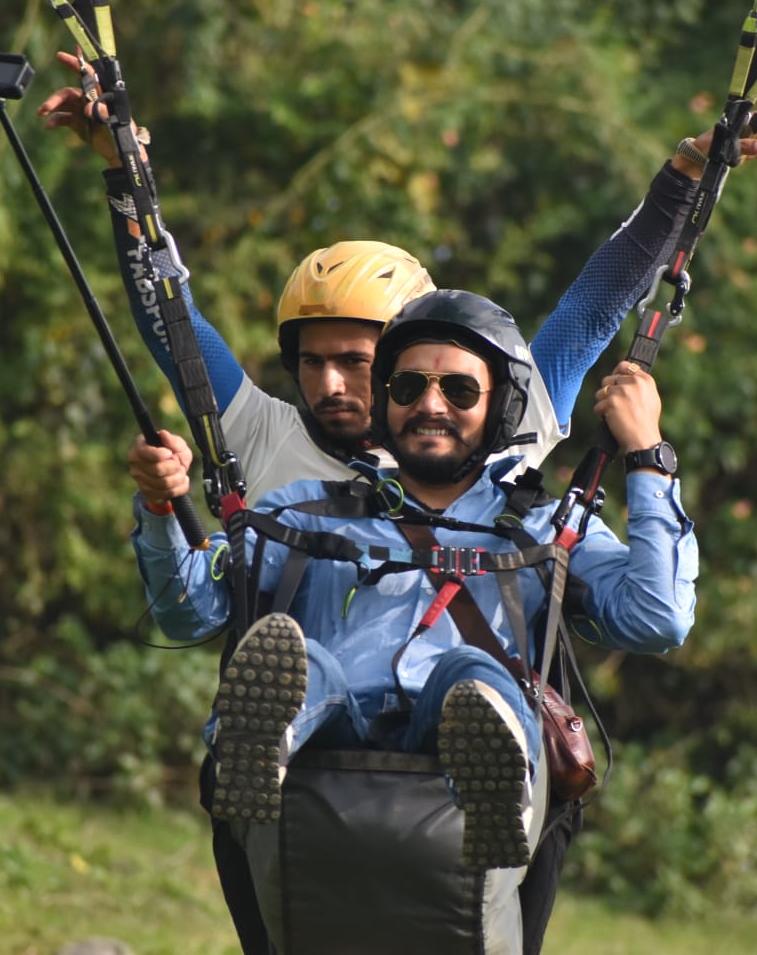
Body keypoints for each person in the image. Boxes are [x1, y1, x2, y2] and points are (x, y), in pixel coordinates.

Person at [129, 292, 698, 944]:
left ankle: (492, 766)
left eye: (458, 388)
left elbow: (657, 618)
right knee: (305, 663)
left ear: (500, 406)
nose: (431, 405)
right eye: (407, 385)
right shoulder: (304, 511)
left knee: (472, 676)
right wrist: (160, 509)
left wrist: (648, 455)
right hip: (325, 753)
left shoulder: (545, 527)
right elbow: (186, 611)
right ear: (384, 399)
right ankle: (263, 743)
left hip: (456, 754)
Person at [36, 50, 757, 498]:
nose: (331, 386)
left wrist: (688, 172)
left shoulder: (495, 429)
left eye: (356, 362)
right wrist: (123, 179)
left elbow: (594, 304)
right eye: (313, 362)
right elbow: (170, 320)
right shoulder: (263, 434)